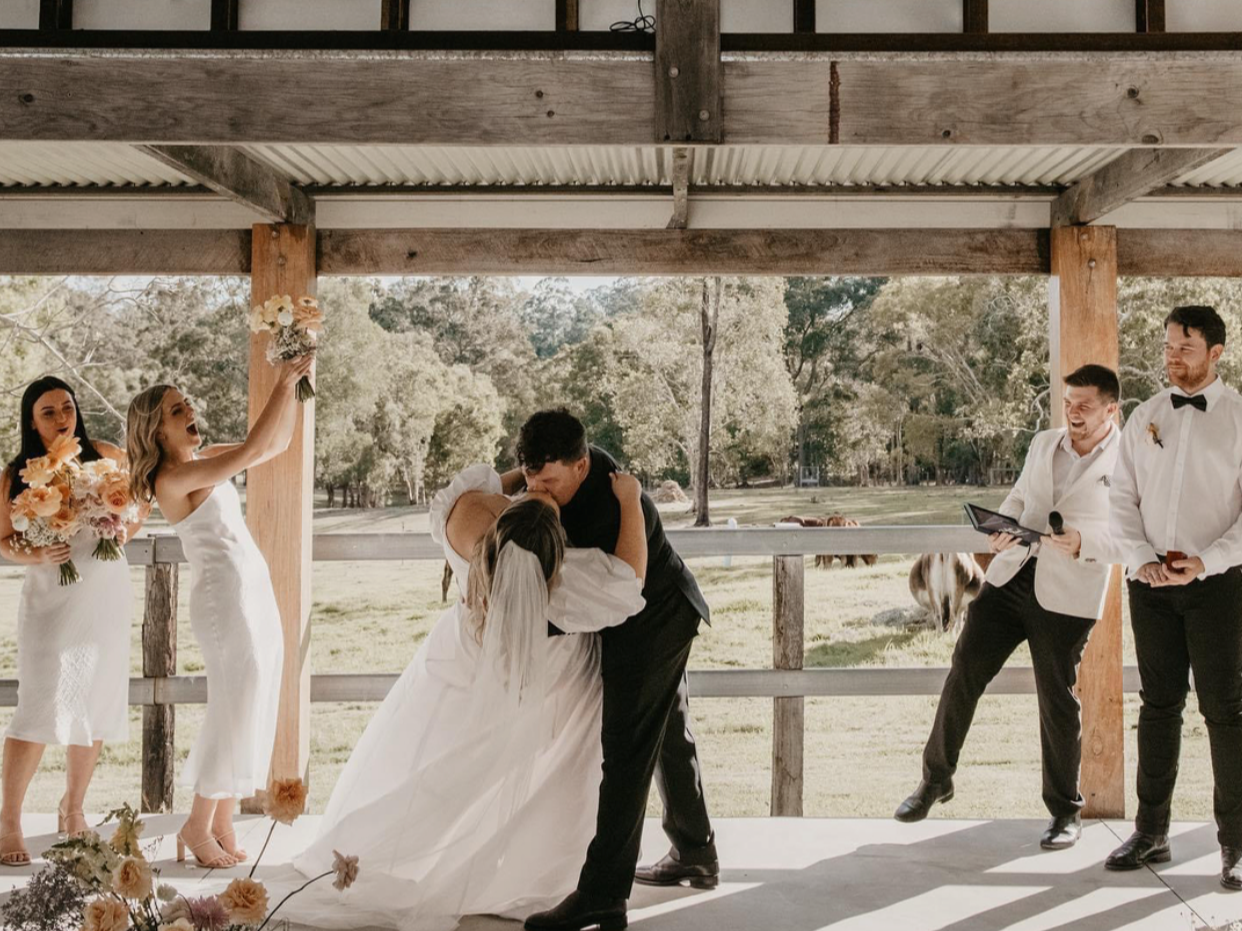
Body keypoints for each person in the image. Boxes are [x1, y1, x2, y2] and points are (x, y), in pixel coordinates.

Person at [277, 462, 647, 930]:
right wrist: (630, 498)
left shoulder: (467, 549)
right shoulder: (569, 582)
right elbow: (630, 581)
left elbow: (457, 492)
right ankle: (513, 870)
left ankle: (390, 849)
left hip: (459, 673)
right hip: (544, 690)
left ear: (500, 524)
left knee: (438, 768)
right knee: (529, 774)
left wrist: (523, 478)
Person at [894, 365, 1124, 850]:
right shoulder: (1043, 443)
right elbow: (1020, 498)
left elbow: (1129, 536)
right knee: (964, 669)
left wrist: (1083, 542)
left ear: (1111, 409)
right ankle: (935, 780)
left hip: (1069, 594)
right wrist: (1002, 528)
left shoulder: (1129, 461)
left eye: (1084, 405)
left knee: (1056, 698)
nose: (1072, 413)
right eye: (1068, 403)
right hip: (1008, 579)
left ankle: (1065, 813)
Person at [518, 410, 716, 931]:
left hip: (654, 620)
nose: (537, 490)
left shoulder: (614, 504)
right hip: (641, 615)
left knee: (626, 752)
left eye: (548, 481)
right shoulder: (559, 472)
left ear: (581, 466)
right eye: (531, 477)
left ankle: (603, 894)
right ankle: (696, 851)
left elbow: (622, 588)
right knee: (667, 736)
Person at [125, 356, 312, 869]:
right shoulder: (171, 478)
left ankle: (223, 822)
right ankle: (196, 824)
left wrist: (297, 384)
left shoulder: (203, 458)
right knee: (232, 705)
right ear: (156, 432)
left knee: (254, 697)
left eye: (186, 403)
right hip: (223, 599)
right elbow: (252, 448)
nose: (190, 411)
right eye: (176, 410)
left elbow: (274, 445)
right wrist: (281, 382)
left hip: (252, 588)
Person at [1107, 305, 1242, 891]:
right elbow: (1120, 497)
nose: (1172, 357)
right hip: (1151, 586)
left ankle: (1236, 844)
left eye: (1184, 347)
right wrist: (1140, 558)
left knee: (1226, 712)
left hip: (1220, 587)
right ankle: (1151, 832)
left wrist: (1206, 562)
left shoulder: (1239, 418)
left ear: (1215, 352)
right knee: (1158, 707)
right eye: (1167, 346)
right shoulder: (1146, 416)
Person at [0, 377, 145, 866]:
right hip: (51, 600)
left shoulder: (103, 454)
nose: (62, 417)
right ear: (31, 420)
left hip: (104, 593)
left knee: (96, 699)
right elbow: (3, 540)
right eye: (48, 411)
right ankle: (9, 820)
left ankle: (73, 808)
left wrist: (124, 528)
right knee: (37, 704)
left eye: (67, 407)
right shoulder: (17, 474)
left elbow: (140, 500)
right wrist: (38, 553)